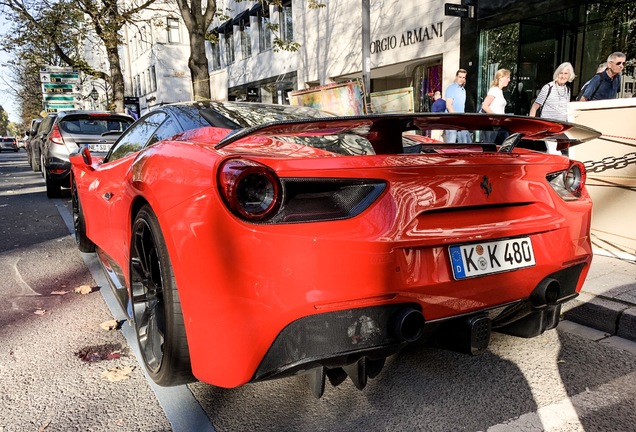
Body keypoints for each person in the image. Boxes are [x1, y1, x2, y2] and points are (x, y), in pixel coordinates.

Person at [529, 62, 576, 155]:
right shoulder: (548, 88)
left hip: (560, 128)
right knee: (555, 153)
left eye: (566, 73)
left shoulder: (567, 90)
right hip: (548, 127)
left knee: (552, 153)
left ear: (570, 75)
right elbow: (534, 107)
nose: (563, 76)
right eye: (561, 73)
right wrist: (532, 126)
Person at [481, 69, 511, 143]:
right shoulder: (494, 90)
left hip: (499, 125)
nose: (509, 80)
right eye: (507, 78)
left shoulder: (500, 91)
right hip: (493, 125)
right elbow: (485, 106)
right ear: (500, 78)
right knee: (491, 147)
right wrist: (495, 117)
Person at [444, 69, 471, 143]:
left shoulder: (463, 90)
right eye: (460, 77)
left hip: (460, 121)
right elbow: (449, 105)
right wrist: (456, 119)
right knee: (451, 143)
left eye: (463, 77)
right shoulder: (451, 88)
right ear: (456, 77)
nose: (461, 79)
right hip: (451, 120)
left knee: (464, 144)